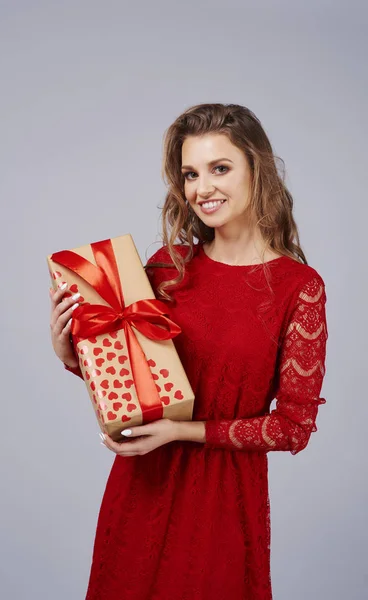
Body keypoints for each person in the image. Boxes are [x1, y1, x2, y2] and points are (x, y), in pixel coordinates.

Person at [49, 103, 328, 600]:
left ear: (256, 168)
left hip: (223, 503)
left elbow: (293, 427)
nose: (203, 188)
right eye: (191, 174)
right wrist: (72, 352)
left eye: (220, 168)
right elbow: (131, 380)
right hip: (142, 489)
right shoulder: (166, 267)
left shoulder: (298, 288)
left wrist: (181, 430)